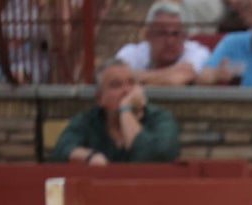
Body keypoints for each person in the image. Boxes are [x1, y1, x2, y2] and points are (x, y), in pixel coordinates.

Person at [49, 59, 180, 163]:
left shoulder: (160, 118)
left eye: (131, 83)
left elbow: (152, 157)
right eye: (116, 85)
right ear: (100, 98)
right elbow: (61, 150)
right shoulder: (88, 120)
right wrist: (89, 156)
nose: (127, 91)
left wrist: (126, 111)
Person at [115, 2, 212, 86]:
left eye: (175, 34)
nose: (170, 41)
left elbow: (181, 77)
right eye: (162, 33)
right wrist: (169, 76)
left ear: (185, 36)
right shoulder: (132, 52)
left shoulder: (197, 52)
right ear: (147, 35)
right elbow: (115, 77)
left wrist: (134, 79)